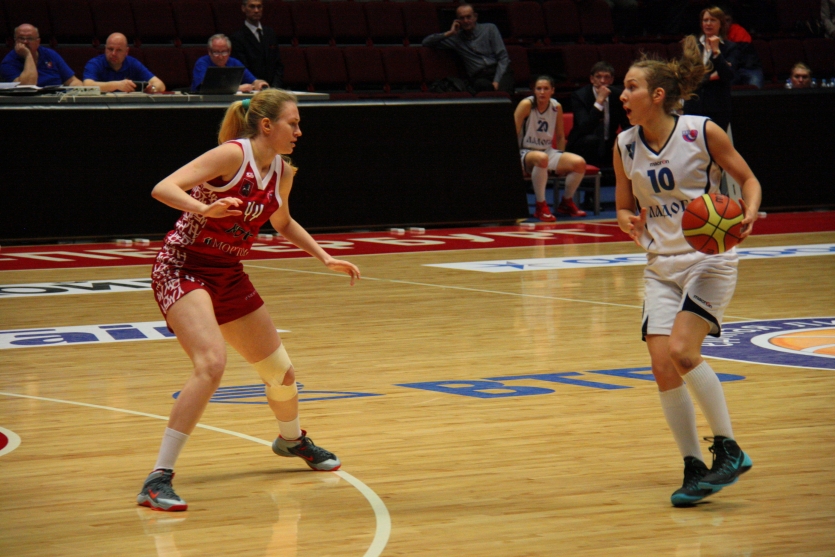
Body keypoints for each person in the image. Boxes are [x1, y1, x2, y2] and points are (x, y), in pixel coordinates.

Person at [137, 89, 361, 512]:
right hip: (183, 266)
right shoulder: (231, 155)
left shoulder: (283, 172)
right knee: (211, 364)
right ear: (267, 125)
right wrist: (204, 209)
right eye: (293, 123)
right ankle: (157, 478)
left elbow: (283, 222)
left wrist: (324, 256)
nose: (299, 131)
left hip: (229, 273)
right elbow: (163, 188)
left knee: (281, 373)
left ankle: (290, 440)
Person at [614, 36, 761, 507]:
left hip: (708, 260)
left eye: (631, 87)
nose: (622, 95)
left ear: (657, 95)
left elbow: (748, 179)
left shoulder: (702, 132)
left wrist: (749, 211)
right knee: (662, 367)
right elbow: (623, 204)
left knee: (682, 350)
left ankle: (730, 448)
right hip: (661, 264)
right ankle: (694, 465)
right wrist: (626, 220)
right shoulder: (625, 144)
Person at [515, 75, 588, 222]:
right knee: (542, 158)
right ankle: (540, 206)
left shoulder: (556, 107)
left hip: (547, 151)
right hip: (525, 151)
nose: (542, 92)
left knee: (579, 163)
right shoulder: (526, 104)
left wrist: (560, 157)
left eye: (546, 88)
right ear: (534, 90)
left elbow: (560, 136)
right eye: (539, 89)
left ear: (552, 91)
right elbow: (511, 132)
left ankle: (566, 202)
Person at [422, 3, 514, 95]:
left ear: (475, 17)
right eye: (462, 18)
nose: (466, 21)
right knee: (481, 85)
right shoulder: (455, 38)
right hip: (480, 76)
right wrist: (450, 33)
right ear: (457, 21)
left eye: (468, 17)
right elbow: (426, 42)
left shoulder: (490, 29)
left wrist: (496, 81)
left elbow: (503, 57)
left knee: (505, 93)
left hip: (499, 70)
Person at [566, 61, 630, 169]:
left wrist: (622, 138)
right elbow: (585, 127)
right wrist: (599, 101)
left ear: (612, 80)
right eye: (598, 77)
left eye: (606, 77)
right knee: (592, 140)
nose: (602, 81)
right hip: (583, 143)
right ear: (592, 79)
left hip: (608, 142)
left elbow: (627, 124)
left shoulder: (618, 95)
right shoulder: (579, 96)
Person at [682, 6, 735, 132]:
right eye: (705, 20)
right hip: (693, 105)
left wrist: (716, 52)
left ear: (721, 24)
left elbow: (727, 75)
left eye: (713, 20)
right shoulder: (692, 45)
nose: (708, 23)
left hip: (718, 106)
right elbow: (687, 74)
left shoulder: (729, 47)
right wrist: (711, 76)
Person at [0, 24, 82, 87]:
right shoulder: (8, 62)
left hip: (56, 99)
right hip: (28, 102)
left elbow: (72, 81)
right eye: (21, 38)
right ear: (15, 41)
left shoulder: (50, 54)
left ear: (38, 41)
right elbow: (27, 87)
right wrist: (28, 56)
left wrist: (78, 91)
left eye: (30, 38)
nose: (25, 42)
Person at [82, 33, 165, 93]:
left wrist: (152, 89)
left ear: (126, 51)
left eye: (119, 50)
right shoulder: (95, 63)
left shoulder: (132, 63)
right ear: (105, 49)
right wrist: (117, 85)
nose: (113, 53)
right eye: (110, 49)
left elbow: (160, 84)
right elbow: (87, 86)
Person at [230, 0, 284, 89]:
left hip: (273, 89)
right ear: (243, 8)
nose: (256, 10)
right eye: (252, 7)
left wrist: (275, 87)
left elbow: (278, 64)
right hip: (252, 88)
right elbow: (243, 68)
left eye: (259, 7)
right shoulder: (237, 37)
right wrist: (258, 85)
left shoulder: (270, 33)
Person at [192, 34, 268, 93]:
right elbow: (205, 87)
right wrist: (238, 88)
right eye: (216, 52)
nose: (220, 57)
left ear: (229, 51)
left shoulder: (234, 62)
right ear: (209, 51)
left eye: (224, 52)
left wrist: (260, 84)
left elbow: (254, 81)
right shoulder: (202, 63)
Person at [722, 7, 764, 89]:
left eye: (728, 20)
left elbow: (742, 56)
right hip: (729, 70)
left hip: (748, 67)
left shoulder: (739, 32)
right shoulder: (713, 32)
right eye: (722, 21)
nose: (725, 24)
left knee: (755, 83)